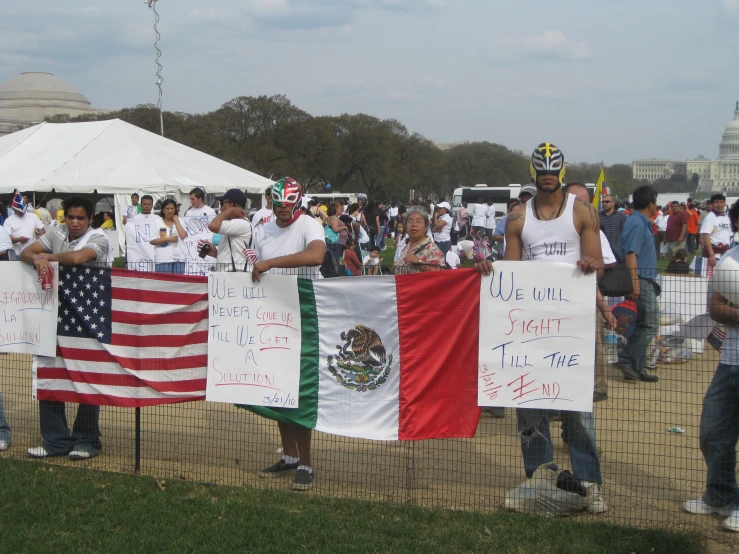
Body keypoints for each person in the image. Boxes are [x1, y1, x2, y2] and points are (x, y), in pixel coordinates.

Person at [475, 142, 607, 513]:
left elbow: (597, 261)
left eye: (554, 170)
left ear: (562, 173)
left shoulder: (582, 212)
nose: (548, 176)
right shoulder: (518, 219)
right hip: (531, 322)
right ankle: (539, 475)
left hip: (573, 320)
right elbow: (511, 272)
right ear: (534, 173)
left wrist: (590, 263)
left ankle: (589, 482)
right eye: (542, 170)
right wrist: (491, 270)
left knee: (577, 407)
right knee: (528, 400)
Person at [20, 196, 110, 460]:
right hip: (53, 314)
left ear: (90, 218)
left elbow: (77, 257)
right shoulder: (55, 231)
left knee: (87, 375)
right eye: (70, 217)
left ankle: (87, 439)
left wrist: (45, 255)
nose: (74, 222)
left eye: (80, 218)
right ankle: (55, 439)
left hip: (87, 318)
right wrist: (37, 260)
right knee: (49, 372)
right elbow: (26, 251)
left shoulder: (99, 238)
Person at [252, 177, 326, 491]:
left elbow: (316, 256)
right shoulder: (262, 229)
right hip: (272, 313)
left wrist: (270, 263)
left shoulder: (309, 225)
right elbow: (254, 264)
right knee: (277, 388)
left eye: (287, 204)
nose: (282, 209)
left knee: (301, 391)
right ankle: (290, 457)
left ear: (297, 203)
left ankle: (306, 462)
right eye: (278, 203)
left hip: (305, 313)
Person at [683, 199, 739, 532]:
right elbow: (716, 309)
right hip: (729, 360)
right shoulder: (729, 260)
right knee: (713, 433)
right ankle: (719, 496)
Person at [614, 185, 660, 383]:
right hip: (640, 279)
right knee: (650, 324)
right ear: (651, 204)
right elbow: (630, 254)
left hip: (643, 278)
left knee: (643, 324)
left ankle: (637, 366)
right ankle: (626, 359)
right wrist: (635, 283)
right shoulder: (637, 223)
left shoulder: (640, 221)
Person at [200, 189, 254, 271]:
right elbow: (235, 254)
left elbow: (212, 225)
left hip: (237, 276)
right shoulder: (235, 224)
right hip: (231, 275)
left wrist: (230, 210)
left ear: (231, 204)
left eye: (222, 203)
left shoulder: (241, 223)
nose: (221, 208)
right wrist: (216, 253)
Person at [393, 206, 446, 274]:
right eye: (410, 221)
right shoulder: (406, 247)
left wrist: (419, 261)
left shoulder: (433, 250)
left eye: (418, 221)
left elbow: (442, 275)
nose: (414, 224)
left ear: (426, 227)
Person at [149, 198, 187, 273]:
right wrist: (169, 239)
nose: (170, 211)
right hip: (163, 259)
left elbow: (183, 235)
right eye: (167, 208)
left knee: (179, 283)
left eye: (172, 208)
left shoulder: (180, 221)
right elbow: (152, 241)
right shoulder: (157, 222)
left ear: (175, 209)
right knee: (164, 283)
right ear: (163, 209)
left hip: (179, 259)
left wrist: (176, 221)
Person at [3, 192, 45, 256]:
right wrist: (18, 239)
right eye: (19, 211)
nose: (22, 212)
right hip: (16, 253)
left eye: (23, 210)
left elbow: (42, 230)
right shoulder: (8, 221)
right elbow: (7, 239)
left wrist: (39, 236)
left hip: (33, 251)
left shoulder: (32, 216)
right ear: (14, 209)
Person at [701, 193, 732, 268]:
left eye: (721, 202)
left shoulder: (726, 218)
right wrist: (711, 255)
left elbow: (729, 235)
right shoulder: (710, 218)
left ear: (724, 203)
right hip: (714, 252)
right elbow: (705, 236)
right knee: (712, 277)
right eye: (716, 202)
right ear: (712, 204)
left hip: (725, 251)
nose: (719, 205)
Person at [599, 194, 626, 260]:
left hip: (617, 252)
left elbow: (625, 233)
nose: (604, 203)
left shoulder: (620, 216)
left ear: (613, 203)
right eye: (603, 202)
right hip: (603, 252)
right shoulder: (598, 216)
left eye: (607, 202)